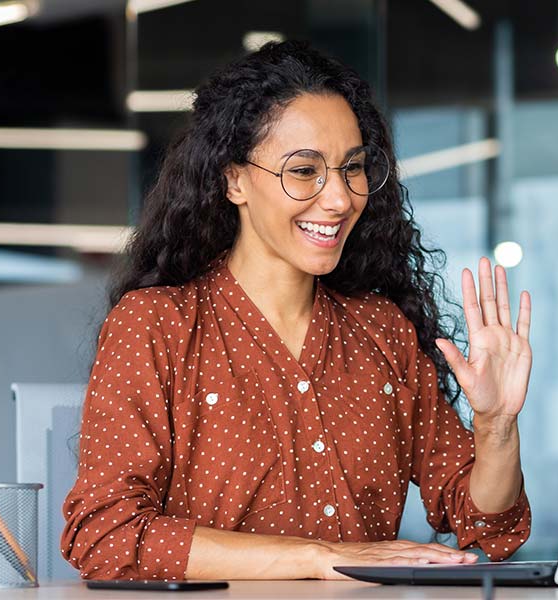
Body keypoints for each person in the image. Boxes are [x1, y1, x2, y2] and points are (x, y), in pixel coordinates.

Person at [60, 40, 532, 581]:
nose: (338, 199)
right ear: (233, 179)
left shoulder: (383, 332)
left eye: (352, 169)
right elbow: (104, 534)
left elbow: (489, 530)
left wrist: (496, 425)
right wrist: (316, 557)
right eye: (304, 171)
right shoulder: (156, 324)